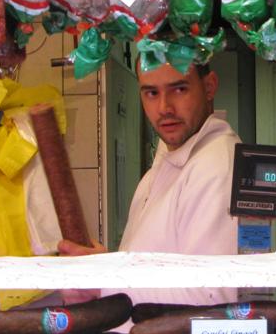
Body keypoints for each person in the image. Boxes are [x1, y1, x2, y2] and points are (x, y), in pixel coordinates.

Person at [58, 51, 240, 305]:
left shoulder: (217, 165)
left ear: (209, 87)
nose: (164, 108)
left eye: (179, 89)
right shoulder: (164, 165)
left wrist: (105, 282)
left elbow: (212, 295)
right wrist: (104, 270)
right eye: (152, 93)